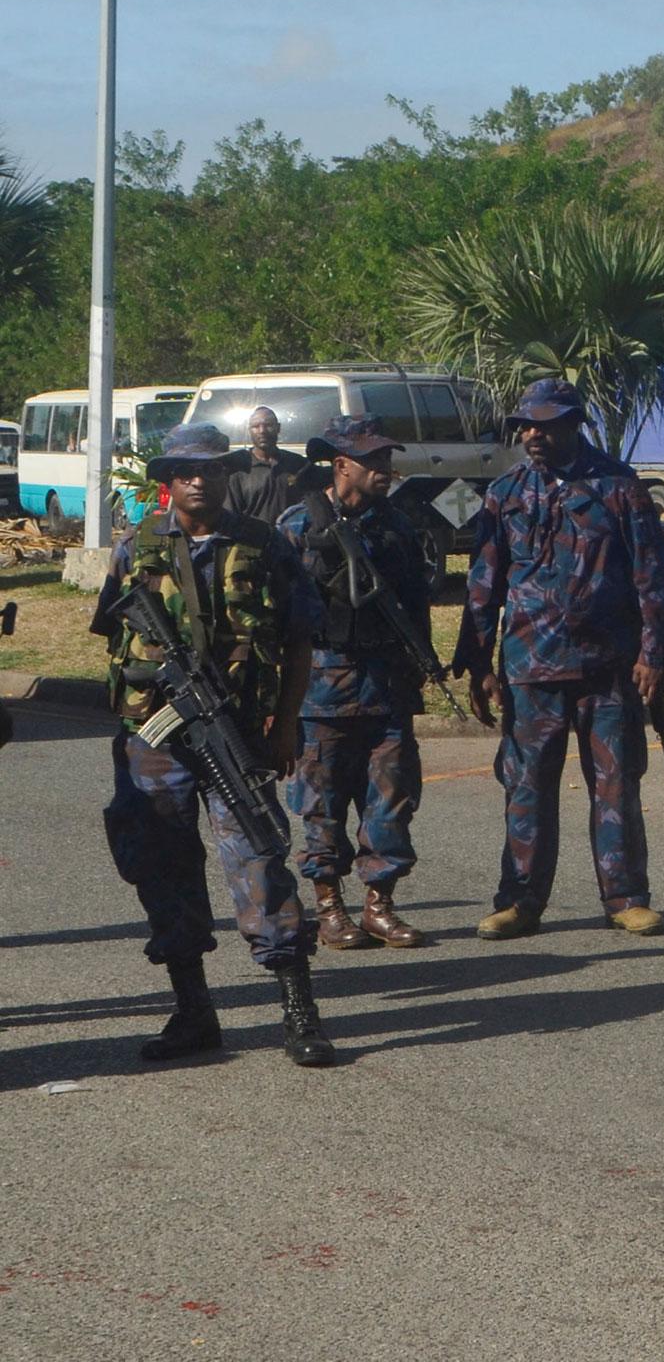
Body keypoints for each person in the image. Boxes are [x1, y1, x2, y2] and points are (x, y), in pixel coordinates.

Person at [89, 422, 336, 1066]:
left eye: (213, 469)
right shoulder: (135, 547)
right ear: (167, 480)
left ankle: (297, 1007)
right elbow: (111, 634)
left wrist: (286, 725)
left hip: (237, 733)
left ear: (229, 476)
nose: (201, 480)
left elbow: (303, 637)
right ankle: (193, 1010)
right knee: (162, 864)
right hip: (155, 738)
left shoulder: (265, 545)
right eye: (187, 471)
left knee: (258, 853)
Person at [453, 379, 664, 941]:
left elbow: (653, 578)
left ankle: (626, 897)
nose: (532, 434)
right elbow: (484, 582)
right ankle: (520, 901)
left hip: (608, 666)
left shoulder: (618, 489)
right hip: (530, 666)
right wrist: (478, 662)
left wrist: (655, 655)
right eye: (525, 425)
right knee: (525, 787)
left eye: (544, 424)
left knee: (616, 785)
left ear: (573, 424)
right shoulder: (505, 492)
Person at [274, 415, 433, 951]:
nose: (385, 470)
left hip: (386, 689)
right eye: (374, 461)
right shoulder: (298, 526)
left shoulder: (397, 526)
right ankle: (328, 907)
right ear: (341, 465)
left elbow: (417, 605)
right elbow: (276, 618)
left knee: (391, 801)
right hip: (321, 692)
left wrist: (420, 669)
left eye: (388, 460)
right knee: (321, 805)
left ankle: (379, 906)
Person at [224, 406, 309, 525]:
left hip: (291, 541)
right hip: (252, 541)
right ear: (249, 430)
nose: (262, 431)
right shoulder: (237, 469)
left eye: (268, 425)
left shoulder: (297, 464)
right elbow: (230, 515)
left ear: (278, 428)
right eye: (255, 426)